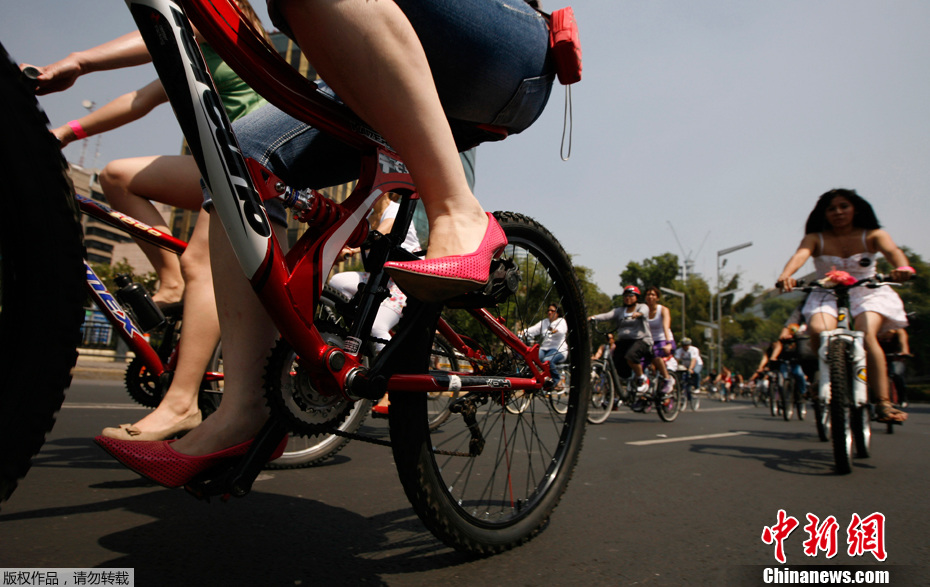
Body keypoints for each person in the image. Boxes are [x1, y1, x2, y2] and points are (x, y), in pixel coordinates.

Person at [94, 0, 556, 488]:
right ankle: (244, 409)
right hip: (364, 67)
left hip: (503, 47)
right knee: (236, 155)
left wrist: (79, 67)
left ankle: (457, 210)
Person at [27, 1, 270, 442]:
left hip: (250, 162)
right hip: (210, 164)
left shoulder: (218, 29)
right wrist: (64, 133)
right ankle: (171, 279)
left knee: (204, 264)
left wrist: (79, 61)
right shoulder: (195, 59)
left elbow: (154, 36)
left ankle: (182, 404)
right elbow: (136, 101)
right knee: (116, 177)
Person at [776, 188, 914, 423]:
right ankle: (822, 377)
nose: (838, 212)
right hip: (826, 294)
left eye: (844, 206)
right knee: (819, 330)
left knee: (867, 334)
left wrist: (903, 269)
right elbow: (800, 255)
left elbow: (893, 252)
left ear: (855, 209)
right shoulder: (815, 238)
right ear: (824, 214)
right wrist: (786, 275)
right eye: (831, 209)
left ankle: (883, 403)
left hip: (867, 293)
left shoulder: (873, 235)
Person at [329, 192, 421, 416]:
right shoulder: (370, 217)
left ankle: (392, 384)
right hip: (380, 280)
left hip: (405, 279)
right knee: (336, 282)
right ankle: (352, 337)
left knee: (376, 326)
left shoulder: (395, 210)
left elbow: (385, 232)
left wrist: (348, 248)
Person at [588, 286, 654, 393]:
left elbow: (645, 311)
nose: (628, 298)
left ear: (636, 297)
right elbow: (607, 316)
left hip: (641, 340)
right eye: (626, 296)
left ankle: (642, 378)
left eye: (631, 296)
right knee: (616, 363)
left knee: (631, 355)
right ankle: (619, 391)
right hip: (624, 342)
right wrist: (593, 317)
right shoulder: (620, 311)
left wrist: (638, 314)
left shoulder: (641, 307)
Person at [521, 304, 569, 390]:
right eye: (548, 310)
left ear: (557, 313)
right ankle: (533, 379)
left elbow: (562, 330)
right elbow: (534, 329)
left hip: (558, 349)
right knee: (530, 358)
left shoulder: (561, 321)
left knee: (547, 361)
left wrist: (555, 330)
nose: (549, 312)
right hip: (544, 348)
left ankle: (557, 381)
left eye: (552, 311)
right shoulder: (544, 322)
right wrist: (523, 332)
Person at [643, 286, 676, 394]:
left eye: (653, 295)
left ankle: (667, 379)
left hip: (663, 340)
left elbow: (666, 327)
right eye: (648, 294)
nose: (650, 297)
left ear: (657, 298)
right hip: (650, 341)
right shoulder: (643, 311)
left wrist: (668, 344)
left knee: (655, 355)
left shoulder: (663, 310)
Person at [878, 328, 911, 408]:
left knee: (897, 373)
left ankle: (902, 398)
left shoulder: (899, 331)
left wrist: (904, 351)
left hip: (894, 357)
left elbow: (904, 343)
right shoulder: (873, 330)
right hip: (879, 359)